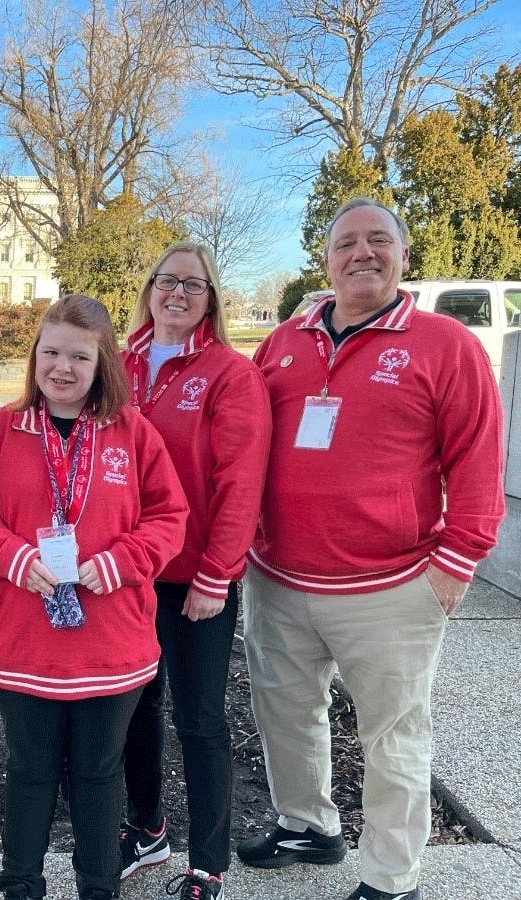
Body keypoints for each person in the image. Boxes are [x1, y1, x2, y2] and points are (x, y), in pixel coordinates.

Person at [237, 198, 505, 900]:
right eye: (346, 243)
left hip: (390, 587)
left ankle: (392, 875)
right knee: (285, 714)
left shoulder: (445, 344)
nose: (362, 253)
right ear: (326, 261)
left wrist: (455, 564)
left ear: (403, 256)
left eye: (378, 240)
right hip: (279, 578)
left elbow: (477, 460)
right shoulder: (285, 342)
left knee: (393, 737)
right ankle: (307, 826)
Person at [0, 294, 189, 900]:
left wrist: (121, 562)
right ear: (35, 354)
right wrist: (11, 556)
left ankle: (98, 887)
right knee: (30, 772)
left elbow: (170, 516)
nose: (62, 368)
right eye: (51, 352)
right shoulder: (1, 430)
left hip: (112, 643)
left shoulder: (133, 433)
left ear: (102, 362)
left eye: (79, 357)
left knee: (98, 774)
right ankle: (21, 886)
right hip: (23, 641)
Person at [117, 243, 271, 900]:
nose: (177, 293)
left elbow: (241, 483)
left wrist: (218, 573)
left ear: (211, 300)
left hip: (194, 579)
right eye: (167, 280)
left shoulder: (229, 374)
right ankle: (146, 828)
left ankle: (208, 862)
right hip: (126, 573)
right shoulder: (116, 364)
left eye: (194, 284)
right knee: (134, 707)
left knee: (200, 719)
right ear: (149, 289)